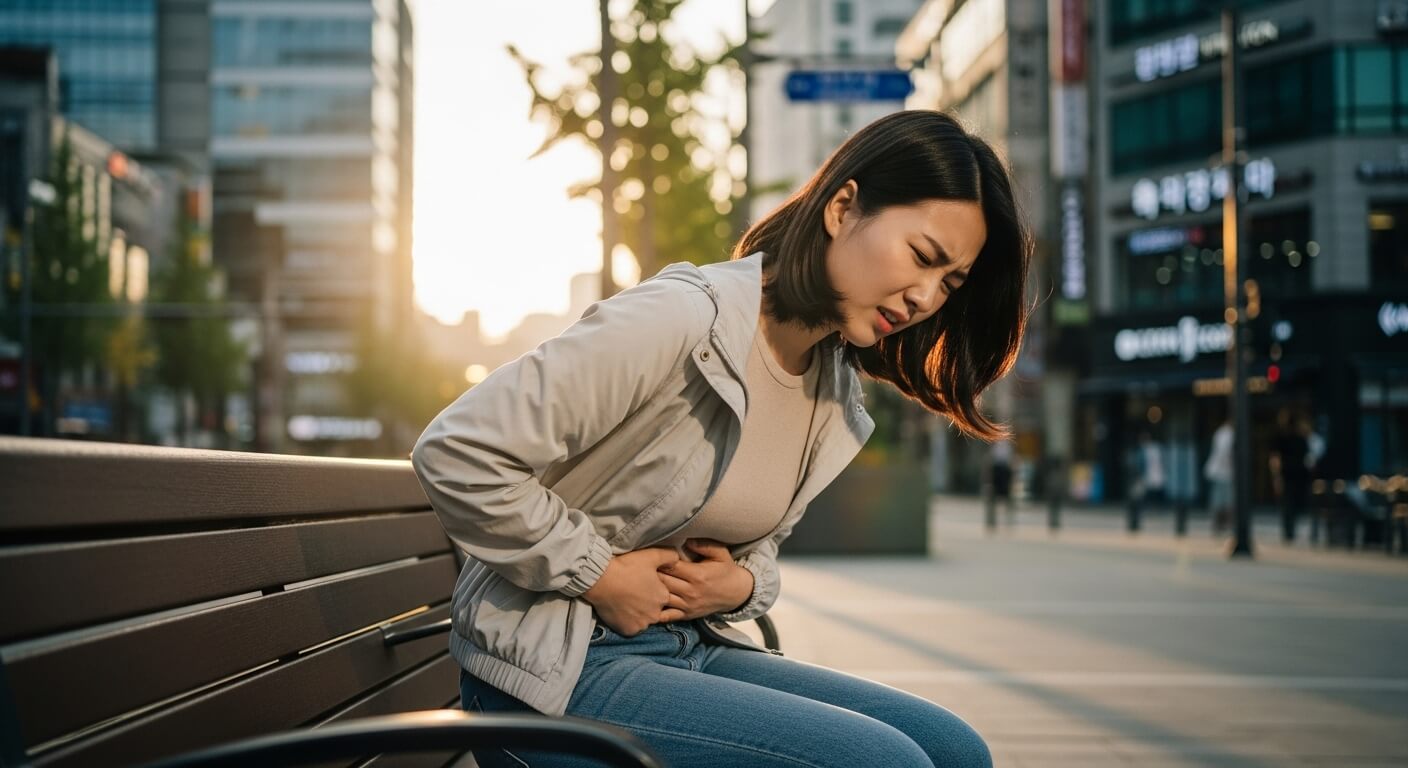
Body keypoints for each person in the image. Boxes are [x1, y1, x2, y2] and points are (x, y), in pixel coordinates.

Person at [411, 110, 1030, 768]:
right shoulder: (682, 318)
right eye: (923, 258)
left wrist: (737, 587)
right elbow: (458, 451)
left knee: (955, 750)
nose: (925, 297)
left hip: (685, 648)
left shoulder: (831, 391)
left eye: (950, 284)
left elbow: (754, 552)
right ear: (843, 207)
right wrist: (598, 574)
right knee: (885, 763)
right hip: (550, 675)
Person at [1271, 408, 1311, 543]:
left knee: (1287, 503)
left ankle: (1289, 530)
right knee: (1292, 503)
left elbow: (1275, 459)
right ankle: (1290, 530)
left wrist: (1276, 476)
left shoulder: (1283, 437)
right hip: (1298, 474)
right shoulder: (1300, 438)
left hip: (1289, 474)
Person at [1204, 419, 1234, 534]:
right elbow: (1223, 453)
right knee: (1224, 500)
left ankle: (1220, 525)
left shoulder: (1221, 433)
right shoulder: (1226, 434)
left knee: (1222, 500)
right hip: (1223, 472)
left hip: (1221, 472)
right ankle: (1220, 525)